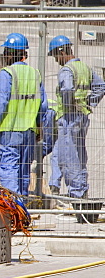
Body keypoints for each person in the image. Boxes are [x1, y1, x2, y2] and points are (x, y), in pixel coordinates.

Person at [0, 33, 52, 202]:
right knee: (23, 170)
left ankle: (12, 208)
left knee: (8, 168)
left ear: (8, 53)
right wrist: (38, 126)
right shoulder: (34, 74)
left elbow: (0, 102)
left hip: (10, 130)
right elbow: (43, 105)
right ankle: (21, 208)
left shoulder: (7, 74)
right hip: (29, 130)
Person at [46, 35, 105, 198]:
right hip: (82, 116)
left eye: (56, 56)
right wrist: (87, 102)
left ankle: (77, 193)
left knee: (69, 157)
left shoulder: (67, 70)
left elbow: (67, 90)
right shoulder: (84, 67)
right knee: (76, 154)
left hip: (69, 118)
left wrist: (70, 104)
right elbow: (101, 86)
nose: (57, 60)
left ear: (61, 51)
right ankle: (73, 188)